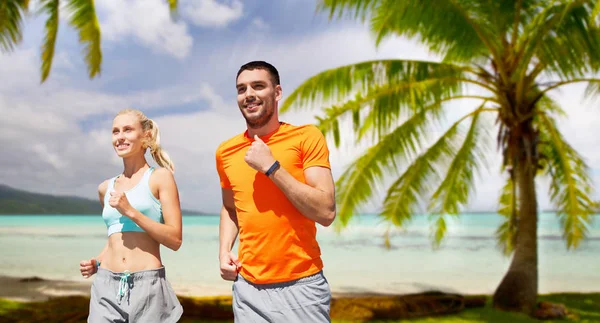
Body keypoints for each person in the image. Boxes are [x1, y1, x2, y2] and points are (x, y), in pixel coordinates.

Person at [215, 61, 336, 322]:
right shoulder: (225, 151)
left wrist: (271, 167)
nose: (248, 94)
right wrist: (224, 250)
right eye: (241, 89)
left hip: (301, 287)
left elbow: (326, 211)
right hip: (247, 288)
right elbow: (230, 207)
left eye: (258, 86)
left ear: (277, 92)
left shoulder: (306, 137)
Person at [79, 109, 183, 323]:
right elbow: (116, 236)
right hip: (105, 286)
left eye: (127, 130)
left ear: (146, 136)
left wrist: (131, 212)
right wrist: (97, 262)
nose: (120, 137)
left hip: (148, 288)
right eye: (115, 131)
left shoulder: (160, 178)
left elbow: (174, 240)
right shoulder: (105, 188)